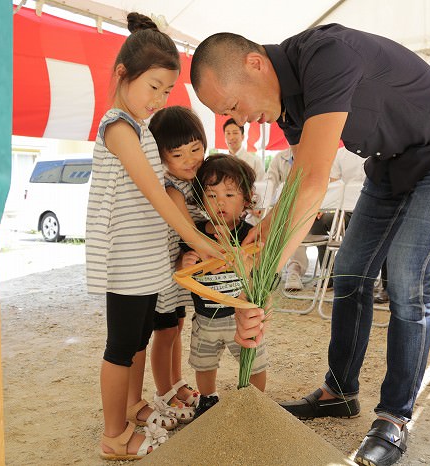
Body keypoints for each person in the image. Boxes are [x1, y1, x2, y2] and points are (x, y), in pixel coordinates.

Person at [190, 25, 430, 466]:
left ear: (255, 63)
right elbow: (301, 181)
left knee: (407, 275)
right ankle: (340, 391)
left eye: (234, 105)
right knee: (349, 271)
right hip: (390, 162)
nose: (241, 118)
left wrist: (262, 282)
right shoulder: (286, 104)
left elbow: (311, 184)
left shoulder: (325, 56)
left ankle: (394, 418)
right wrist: (263, 231)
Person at [85, 13, 219, 461]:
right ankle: (113, 436)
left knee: (138, 339)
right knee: (120, 347)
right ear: (123, 74)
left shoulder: (140, 128)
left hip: (146, 260)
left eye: (166, 91)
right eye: (154, 87)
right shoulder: (117, 127)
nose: (159, 99)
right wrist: (199, 243)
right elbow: (158, 197)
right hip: (125, 261)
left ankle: (133, 406)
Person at [178, 154, 268, 417]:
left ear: (246, 199)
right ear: (200, 198)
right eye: (212, 194)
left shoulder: (250, 234)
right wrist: (184, 262)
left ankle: (255, 400)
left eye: (229, 195)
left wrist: (247, 262)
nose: (220, 202)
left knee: (255, 362)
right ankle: (208, 398)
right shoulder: (194, 234)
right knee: (204, 363)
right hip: (205, 318)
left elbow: (262, 274)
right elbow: (181, 268)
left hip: (242, 318)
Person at [147, 105, 210, 424]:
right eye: (178, 154)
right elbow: (188, 230)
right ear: (161, 157)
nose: (190, 160)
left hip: (178, 274)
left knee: (177, 328)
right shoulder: (171, 188)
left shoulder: (190, 184)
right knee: (166, 332)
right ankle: (164, 392)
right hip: (163, 274)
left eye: (195, 149)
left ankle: (176, 382)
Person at [284, 146, 366, 291]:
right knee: (318, 221)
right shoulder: (340, 154)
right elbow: (334, 186)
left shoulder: (376, 150)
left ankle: (379, 282)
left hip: (370, 209)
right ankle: (328, 273)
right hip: (343, 211)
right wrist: (322, 208)